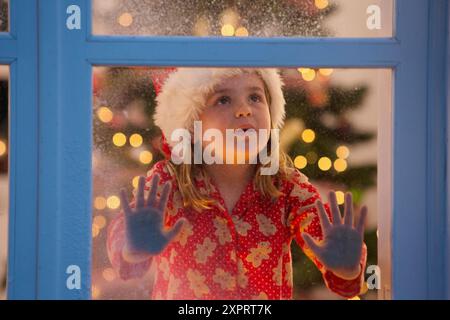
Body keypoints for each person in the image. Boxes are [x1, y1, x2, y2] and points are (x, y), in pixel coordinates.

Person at [107, 68, 368, 300]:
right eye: (223, 100)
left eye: (255, 97)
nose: (244, 109)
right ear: (191, 125)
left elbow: (340, 268)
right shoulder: (167, 180)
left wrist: (346, 268)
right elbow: (125, 247)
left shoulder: (288, 185)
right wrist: (132, 248)